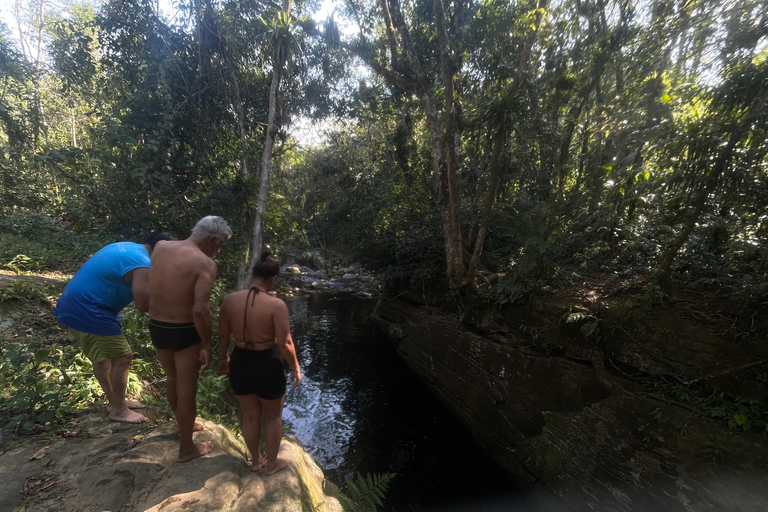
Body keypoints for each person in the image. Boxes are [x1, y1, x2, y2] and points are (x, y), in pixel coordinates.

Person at [54, 233, 174, 424]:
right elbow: (143, 305)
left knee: (102, 358)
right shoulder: (144, 264)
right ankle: (119, 410)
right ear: (160, 248)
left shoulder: (127, 246)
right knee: (123, 356)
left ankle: (115, 403)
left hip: (75, 304)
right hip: (89, 308)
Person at [147, 215, 231, 463]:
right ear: (212, 239)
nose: (217, 251)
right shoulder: (204, 263)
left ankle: (184, 424)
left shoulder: (161, 247)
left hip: (157, 325)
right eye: (219, 245)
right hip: (183, 330)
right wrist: (207, 344)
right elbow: (200, 309)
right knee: (187, 391)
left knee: (172, 380)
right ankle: (186, 449)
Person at [218, 251, 302, 476]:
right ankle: (272, 464)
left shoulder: (230, 300)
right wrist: (295, 367)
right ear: (273, 278)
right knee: (273, 417)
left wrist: (223, 358)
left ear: (253, 275)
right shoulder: (276, 305)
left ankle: (256, 460)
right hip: (267, 362)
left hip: (240, 360)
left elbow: (223, 335)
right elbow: (284, 343)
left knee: (250, 414)